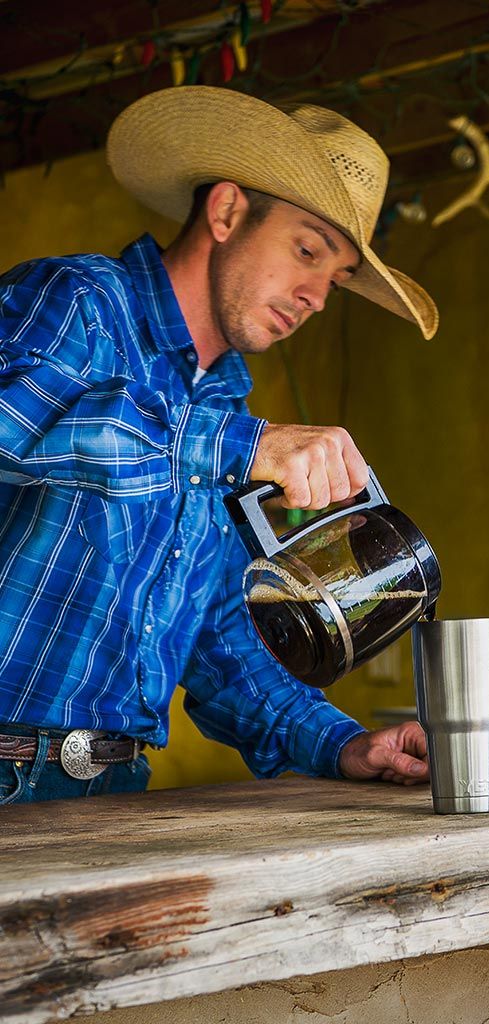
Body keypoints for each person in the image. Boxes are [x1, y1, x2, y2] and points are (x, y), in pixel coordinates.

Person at [0, 86, 439, 804]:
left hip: (114, 793)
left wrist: (342, 744)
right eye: (307, 251)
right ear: (229, 211)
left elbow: (219, 634)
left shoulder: (223, 409)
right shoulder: (79, 302)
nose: (317, 296)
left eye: (334, 279)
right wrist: (239, 443)